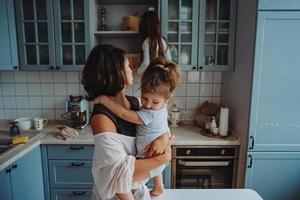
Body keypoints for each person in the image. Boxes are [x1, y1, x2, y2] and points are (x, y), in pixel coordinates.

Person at [81, 44, 172, 200]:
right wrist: (161, 159)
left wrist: (163, 139)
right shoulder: (102, 118)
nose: (131, 70)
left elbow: (160, 127)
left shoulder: (137, 103)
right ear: (115, 72)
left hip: (137, 191)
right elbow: (117, 173)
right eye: (127, 65)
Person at [138, 10, 171, 74]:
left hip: (152, 77)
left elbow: (146, 63)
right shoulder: (163, 40)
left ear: (144, 26)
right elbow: (169, 60)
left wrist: (137, 71)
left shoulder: (147, 42)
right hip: (162, 78)